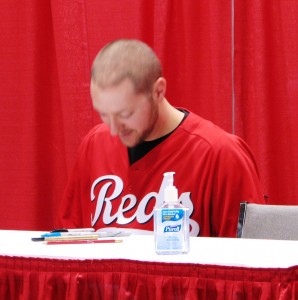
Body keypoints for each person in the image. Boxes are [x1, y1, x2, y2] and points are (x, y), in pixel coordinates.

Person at [57, 39, 265, 237]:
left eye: (125, 114)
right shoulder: (95, 143)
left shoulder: (220, 154)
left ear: (158, 91)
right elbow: (69, 242)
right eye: (104, 113)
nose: (113, 129)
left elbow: (249, 261)